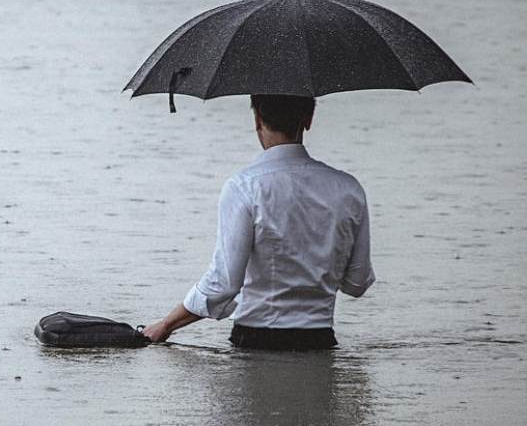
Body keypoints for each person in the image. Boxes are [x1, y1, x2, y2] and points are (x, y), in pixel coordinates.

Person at [142, 95, 375, 351]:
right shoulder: (348, 189)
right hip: (319, 342)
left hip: (257, 340)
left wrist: (165, 325)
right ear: (308, 120)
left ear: (257, 119)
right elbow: (357, 283)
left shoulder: (244, 187)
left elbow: (223, 284)